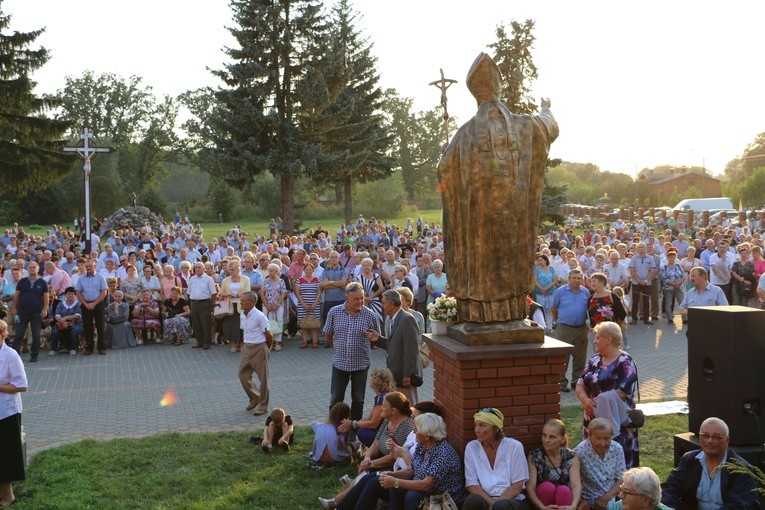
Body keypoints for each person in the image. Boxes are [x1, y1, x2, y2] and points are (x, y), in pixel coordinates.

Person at [438, 52, 558, 323]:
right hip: (513, 227)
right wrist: (547, 108)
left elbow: (443, 172)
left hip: (480, 232)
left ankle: (479, 316)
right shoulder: (527, 125)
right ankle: (514, 312)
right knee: (509, 264)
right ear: (499, 88)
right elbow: (550, 125)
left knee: (483, 266)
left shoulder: (463, 136)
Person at [320, 392, 415, 510]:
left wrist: (371, 463)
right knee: (365, 468)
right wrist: (367, 458)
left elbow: (393, 457)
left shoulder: (405, 426)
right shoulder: (387, 420)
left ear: (394, 410)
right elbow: (376, 442)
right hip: (381, 457)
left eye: (384, 406)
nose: (380, 407)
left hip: (392, 464)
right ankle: (340, 500)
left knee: (366, 476)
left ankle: (337, 501)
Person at [351, 412, 465, 510]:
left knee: (411, 495)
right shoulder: (423, 445)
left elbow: (426, 485)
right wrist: (393, 474)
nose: (414, 432)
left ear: (427, 436)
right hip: (426, 491)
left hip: (443, 499)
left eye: (416, 430)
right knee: (378, 483)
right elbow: (412, 469)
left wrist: (395, 481)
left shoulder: (442, 453)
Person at [576, 321, 639, 469]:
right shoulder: (594, 359)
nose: (594, 341)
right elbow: (580, 383)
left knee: (619, 463)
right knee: (592, 461)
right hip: (591, 418)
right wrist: (585, 401)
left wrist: (598, 405)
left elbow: (623, 392)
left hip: (617, 422)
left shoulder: (625, 361)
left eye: (597, 337)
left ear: (608, 339)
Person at [661, 417, 758, 509]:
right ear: (699, 438)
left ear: (727, 441)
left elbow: (737, 506)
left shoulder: (742, 470)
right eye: (705, 436)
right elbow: (670, 487)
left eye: (716, 437)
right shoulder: (690, 460)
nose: (710, 441)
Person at [323, 281, 380, 429]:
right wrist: (336, 347)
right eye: (356, 299)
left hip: (360, 365)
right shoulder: (334, 312)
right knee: (336, 398)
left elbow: (376, 339)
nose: (360, 301)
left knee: (358, 400)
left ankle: (354, 429)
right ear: (346, 298)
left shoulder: (370, 315)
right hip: (340, 363)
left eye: (362, 298)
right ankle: (333, 427)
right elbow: (328, 334)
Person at [463, 408, 530, 510]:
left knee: (500, 507)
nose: (477, 430)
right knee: (473, 500)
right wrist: (492, 504)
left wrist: (495, 506)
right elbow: (471, 485)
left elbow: (517, 486)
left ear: (495, 428)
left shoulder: (514, 447)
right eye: (476, 425)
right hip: (486, 499)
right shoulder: (471, 447)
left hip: (513, 500)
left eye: (482, 425)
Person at [366, 290, 422, 403]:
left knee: (408, 408)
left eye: (383, 303)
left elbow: (412, 350)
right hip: (395, 376)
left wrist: (408, 375)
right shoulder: (392, 319)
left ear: (391, 304)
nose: (381, 306)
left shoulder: (407, 319)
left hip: (404, 378)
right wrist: (378, 339)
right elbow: (394, 344)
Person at [0, 320, 27, 508]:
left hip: (6, 413)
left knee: (6, 455)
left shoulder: (11, 355)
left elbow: (21, 385)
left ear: (3, 334)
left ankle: (8, 496)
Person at [526, 419, 581, 510]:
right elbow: (530, 487)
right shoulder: (534, 456)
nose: (546, 440)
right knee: (547, 488)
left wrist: (573, 506)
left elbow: (576, 485)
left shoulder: (571, 456)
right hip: (542, 503)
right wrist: (542, 508)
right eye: (544, 435)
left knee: (564, 490)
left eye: (552, 437)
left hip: (564, 500)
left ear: (562, 439)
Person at [551, 269, 591, 392]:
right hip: (564, 328)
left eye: (579, 278)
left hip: (581, 329)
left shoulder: (585, 292)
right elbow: (553, 308)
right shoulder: (560, 291)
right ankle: (562, 382)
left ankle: (577, 382)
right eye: (574, 278)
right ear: (569, 279)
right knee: (563, 357)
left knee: (580, 357)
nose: (576, 280)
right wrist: (558, 319)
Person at [574, 418, 626, 510]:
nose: (602, 443)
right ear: (589, 436)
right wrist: (581, 502)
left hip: (609, 499)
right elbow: (572, 480)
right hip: (586, 501)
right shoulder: (580, 451)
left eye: (607, 438)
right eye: (598, 438)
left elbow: (621, 479)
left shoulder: (617, 449)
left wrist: (603, 500)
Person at [339, 367, 395, 448]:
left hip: (387, 434)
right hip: (386, 431)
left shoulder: (382, 398)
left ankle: (378, 451)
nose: (370, 379)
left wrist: (353, 424)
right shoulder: (381, 396)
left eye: (372, 377)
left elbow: (373, 424)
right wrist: (351, 425)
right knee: (360, 428)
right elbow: (369, 417)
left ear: (377, 380)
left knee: (362, 432)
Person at [238, 291, 273, 416]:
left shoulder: (260, 316)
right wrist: (243, 345)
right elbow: (244, 331)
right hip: (247, 347)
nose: (241, 302)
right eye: (241, 300)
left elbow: (269, 335)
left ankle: (263, 405)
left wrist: (266, 348)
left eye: (243, 300)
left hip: (259, 347)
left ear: (252, 302)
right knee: (242, 374)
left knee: (263, 378)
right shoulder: (242, 315)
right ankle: (255, 397)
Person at [11, 261, 49, 362]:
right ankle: (14, 356)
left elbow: (46, 297)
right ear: (27, 269)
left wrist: (45, 309)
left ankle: (34, 355)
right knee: (19, 334)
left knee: (36, 335)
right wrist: (14, 308)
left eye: (34, 267)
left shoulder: (42, 282)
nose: (32, 269)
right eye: (30, 267)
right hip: (22, 312)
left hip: (36, 313)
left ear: (37, 269)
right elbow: (17, 296)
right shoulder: (22, 281)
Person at [75, 260, 108, 356]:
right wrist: (85, 304)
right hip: (86, 304)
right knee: (87, 327)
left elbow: (103, 292)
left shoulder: (100, 277)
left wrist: (94, 303)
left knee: (100, 326)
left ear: (94, 266)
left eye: (90, 266)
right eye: (87, 266)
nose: (88, 268)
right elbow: (78, 292)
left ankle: (101, 347)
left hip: (98, 304)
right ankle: (89, 348)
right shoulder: (81, 278)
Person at [219, 260, 251, 353]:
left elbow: (247, 291)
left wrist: (237, 295)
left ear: (238, 269)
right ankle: (233, 343)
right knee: (231, 325)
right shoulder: (226, 280)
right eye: (230, 270)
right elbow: (221, 292)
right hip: (230, 305)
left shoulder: (246, 279)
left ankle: (242, 344)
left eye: (233, 269)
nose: (231, 271)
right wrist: (229, 294)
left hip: (242, 305)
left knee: (241, 325)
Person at [310, 402, 351, 468]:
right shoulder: (343, 430)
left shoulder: (319, 426)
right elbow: (344, 449)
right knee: (349, 450)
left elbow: (313, 425)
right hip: (337, 460)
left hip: (319, 459)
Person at [187, 261, 217, 349]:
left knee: (205, 323)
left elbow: (214, 293)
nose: (197, 269)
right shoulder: (192, 279)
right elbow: (189, 292)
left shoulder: (208, 279)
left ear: (204, 269)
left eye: (199, 267)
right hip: (194, 303)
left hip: (205, 303)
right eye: (196, 267)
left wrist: (212, 305)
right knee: (196, 323)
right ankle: (199, 341)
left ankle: (207, 342)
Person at [260, 263, 288, 351]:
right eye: (269, 271)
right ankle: (270, 342)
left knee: (278, 321)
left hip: (278, 305)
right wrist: (266, 304)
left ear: (277, 272)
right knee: (268, 323)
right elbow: (262, 293)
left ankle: (278, 342)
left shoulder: (281, 281)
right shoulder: (265, 281)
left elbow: (284, 293)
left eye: (272, 271)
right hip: (266, 305)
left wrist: (278, 304)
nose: (270, 273)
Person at [628, 243, 657, 325]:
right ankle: (634, 318)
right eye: (639, 247)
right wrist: (638, 280)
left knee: (646, 301)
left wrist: (646, 280)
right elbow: (632, 270)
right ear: (637, 248)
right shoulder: (634, 258)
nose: (641, 248)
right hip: (636, 282)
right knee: (635, 301)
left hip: (647, 283)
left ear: (645, 248)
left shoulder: (650, 258)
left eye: (642, 247)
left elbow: (652, 270)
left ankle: (646, 319)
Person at [49, 287, 83, 356]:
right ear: (65, 295)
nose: (70, 296)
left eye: (72, 294)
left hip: (77, 324)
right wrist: (62, 322)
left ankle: (73, 348)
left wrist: (66, 318)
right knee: (54, 331)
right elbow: (57, 315)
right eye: (68, 294)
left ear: (75, 295)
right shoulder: (60, 304)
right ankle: (53, 349)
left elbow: (77, 316)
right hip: (62, 323)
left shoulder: (78, 304)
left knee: (74, 330)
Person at [295, 262, 322, 348]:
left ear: (313, 270)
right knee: (304, 323)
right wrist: (303, 304)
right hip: (302, 305)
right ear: (304, 270)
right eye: (307, 269)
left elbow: (319, 292)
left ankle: (314, 341)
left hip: (315, 305)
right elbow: (297, 293)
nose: (308, 271)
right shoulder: (299, 280)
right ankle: (304, 341)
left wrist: (315, 303)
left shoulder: (317, 279)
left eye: (310, 269)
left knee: (314, 323)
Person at [660, 248, 686, 323]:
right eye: (670, 257)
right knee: (669, 303)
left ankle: (684, 318)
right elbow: (664, 278)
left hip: (679, 287)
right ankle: (670, 318)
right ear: (667, 258)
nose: (672, 259)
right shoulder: (664, 268)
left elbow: (683, 276)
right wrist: (674, 284)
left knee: (682, 302)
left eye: (673, 257)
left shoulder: (678, 266)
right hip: (668, 288)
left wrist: (679, 283)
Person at [356, 257, 385, 322]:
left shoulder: (376, 276)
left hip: (375, 302)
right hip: (362, 302)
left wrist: (371, 297)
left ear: (371, 266)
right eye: (364, 265)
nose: (366, 267)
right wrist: (365, 298)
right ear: (362, 267)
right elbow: (357, 291)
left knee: (377, 321)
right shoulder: (358, 278)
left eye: (368, 265)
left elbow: (381, 288)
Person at [534, 254, 558, 332]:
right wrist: (542, 289)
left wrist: (546, 289)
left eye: (541, 260)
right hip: (539, 292)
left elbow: (555, 281)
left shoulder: (551, 269)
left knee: (550, 309)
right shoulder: (537, 269)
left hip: (550, 292)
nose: (540, 262)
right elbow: (535, 281)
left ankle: (550, 326)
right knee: (541, 309)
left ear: (546, 260)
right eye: (539, 260)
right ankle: (542, 326)